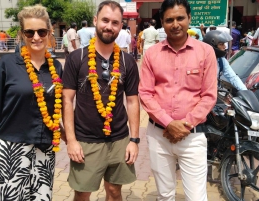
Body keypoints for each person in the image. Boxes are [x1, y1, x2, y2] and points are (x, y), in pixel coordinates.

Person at [138, 0, 217, 200]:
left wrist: (184, 125)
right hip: (158, 135)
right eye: (169, 20)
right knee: (165, 195)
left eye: (180, 18)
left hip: (193, 137)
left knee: (197, 197)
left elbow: (209, 96)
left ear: (189, 18)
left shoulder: (206, 52)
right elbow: (145, 93)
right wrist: (168, 123)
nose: (175, 24)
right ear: (162, 23)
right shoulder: (152, 54)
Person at [61, 1, 140, 200]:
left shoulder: (126, 61)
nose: (109, 26)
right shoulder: (76, 58)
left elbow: (132, 101)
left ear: (121, 26)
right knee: (82, 193)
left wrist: (134, 140)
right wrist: (71, 140)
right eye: (105, 20)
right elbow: (67, 100)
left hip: (119, 139)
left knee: (114, 192)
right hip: (86, 141)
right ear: (96, 21)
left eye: (115, 22)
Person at [0, 4, 63, 200]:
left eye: (41, 31)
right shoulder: (6, 65)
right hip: (10, 148)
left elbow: (56, 109)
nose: (36, 37)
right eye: (30, 32)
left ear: (50, 32)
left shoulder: (56, 67)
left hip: (44, 150)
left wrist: (69, 137)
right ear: (22, 34)